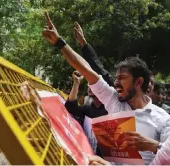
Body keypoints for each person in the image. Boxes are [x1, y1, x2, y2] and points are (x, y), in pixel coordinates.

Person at [42, 11, 170, 165]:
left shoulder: (164, 120)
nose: (115, 83)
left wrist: (154, 146)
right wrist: (60, 43)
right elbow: (87, 71)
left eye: (122, 78)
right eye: (115, 78)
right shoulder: (114, 102)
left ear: (138, 82)